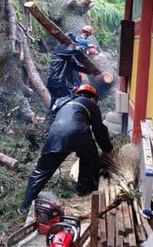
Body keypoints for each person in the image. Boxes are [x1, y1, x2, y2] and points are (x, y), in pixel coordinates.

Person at [18, 84, 113, 215]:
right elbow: (99, 130)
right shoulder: (90, 104)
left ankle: (24, 206)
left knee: (41, 170)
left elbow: (50, 120)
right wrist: (108, 148)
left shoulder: (64, 102)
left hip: (56, 134)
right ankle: (84, 189)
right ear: (93, 97)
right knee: (90, 156)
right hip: (79, 133)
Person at [46, 35, 87, 119]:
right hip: (58, 82)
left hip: (54, 82)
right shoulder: (61, 48)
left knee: (54, 102)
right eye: (74, 43)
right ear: (70, 42)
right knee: (67, 99)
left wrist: (91, 71)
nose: (74, 45)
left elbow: (77, 66)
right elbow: (76, 50)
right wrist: (84, 48)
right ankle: (62, 119)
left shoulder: (67, 55)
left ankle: (49, 119)